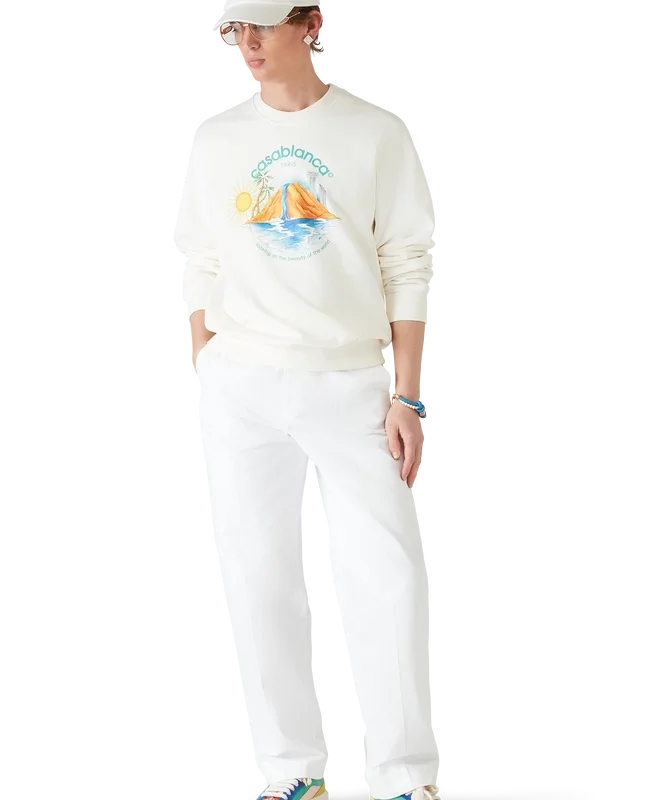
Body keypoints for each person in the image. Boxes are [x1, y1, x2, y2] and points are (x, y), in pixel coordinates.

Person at [176, 2, 441, 799]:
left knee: (388, 577)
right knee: (258, 577)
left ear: (310, 24)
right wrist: (204, 356)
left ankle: (403, 775)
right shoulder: (215, 137)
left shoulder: (376, 131)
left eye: (262, 26)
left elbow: (406, 262)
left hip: (353, 382)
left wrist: (409, 396)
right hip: (242, 386)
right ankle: (290, 771)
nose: (246, 44)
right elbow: (200, 256)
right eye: (235, 30)